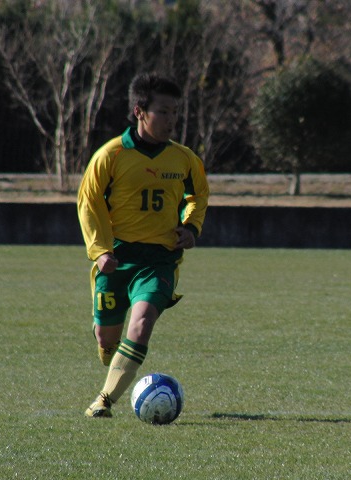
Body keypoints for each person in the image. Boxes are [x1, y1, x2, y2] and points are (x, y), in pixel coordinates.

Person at [77, 72, 209, 418]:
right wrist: (100, 251)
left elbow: (198, 195)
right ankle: (109, 348)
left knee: (143, 321)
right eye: (163, 112)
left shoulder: (184, 159)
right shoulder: (111, 155)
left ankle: (103, 400)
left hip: (159, 259)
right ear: (139, 111)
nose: (171, 120)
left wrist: (191, 227)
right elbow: (89, 204)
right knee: (107, 338)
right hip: (117, 258)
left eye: (175, 112)